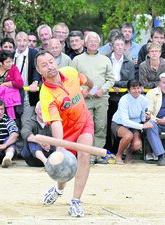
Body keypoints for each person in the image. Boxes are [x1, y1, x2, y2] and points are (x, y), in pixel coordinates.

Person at [35, 50, 94, 217]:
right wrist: (60, 147)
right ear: (39, 71)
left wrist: (88, 88)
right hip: (65, 131)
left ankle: (75, 201)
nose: (49, 67)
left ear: (55, 61)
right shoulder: (46, 95)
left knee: (84, 153)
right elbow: (56, 122)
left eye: (51, 62)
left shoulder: (70, 72)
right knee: (64, 166)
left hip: (84, 123)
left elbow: (86, 79)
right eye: (44, 65)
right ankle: (59, 189)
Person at [72, 31, 115, 164]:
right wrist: (82, 90)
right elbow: (72, 79)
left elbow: (111, 79)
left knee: (101, 127)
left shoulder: (105, 60)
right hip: (84, 99)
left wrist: (102, 90)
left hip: (101, 99)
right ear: (85, 43)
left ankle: (98, 154)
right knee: (86, 128)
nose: (93, 43)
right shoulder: (77, 60)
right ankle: (88, 155)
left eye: (95, 41)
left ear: (99, 43)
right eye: (90, 41)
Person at [111, 80, 153, 164]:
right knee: (128, 136)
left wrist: (146, 117)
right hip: (119, 123)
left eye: (138, 88)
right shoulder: (123, 100)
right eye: (134, 88)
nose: (137, 90)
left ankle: (128, 152)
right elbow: (125, 121)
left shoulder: (144, 99)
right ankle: (118, 155)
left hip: (135, 124)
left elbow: (142, 116)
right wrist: (142, 126)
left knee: (137, 144)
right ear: (128, 90)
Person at [0, 50, 24, 119]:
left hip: (11, 103)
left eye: (11, 61)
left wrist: (5, 84)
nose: (10, 64)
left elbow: (20, 83)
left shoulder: (13, 68)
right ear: (0, 63)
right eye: (7, 62)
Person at [21, 102, 55, 167]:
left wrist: (49, 144)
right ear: (36, 110)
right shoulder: (30, 121)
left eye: (45, 109)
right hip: (32, 158)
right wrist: (41, 142)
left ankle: (48, 162)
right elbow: (24, 132)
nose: (43, 112)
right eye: (41, 109)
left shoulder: (53, 123)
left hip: (49, 155)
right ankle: (46, 162)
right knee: (31, 139)